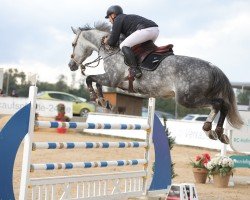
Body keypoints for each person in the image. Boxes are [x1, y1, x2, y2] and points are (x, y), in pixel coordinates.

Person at [104, 5, 159, 79]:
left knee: (123, 45)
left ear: (113, 15)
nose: (109, 20)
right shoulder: (126, 18)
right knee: (141, 50)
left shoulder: (118, 19)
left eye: (109, 17)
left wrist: (107, 40)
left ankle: (134, 69)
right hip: (155, 30)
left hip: (145, 30)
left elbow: (112, 41)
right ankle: (151, 64)